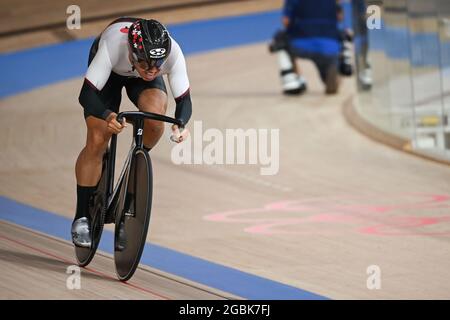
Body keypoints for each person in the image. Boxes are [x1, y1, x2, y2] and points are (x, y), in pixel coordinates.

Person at [72, 17, 192, 247]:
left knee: (156, 120)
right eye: (146, 63)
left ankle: (134, 164)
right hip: (111, 74)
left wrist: (181, 123)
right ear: (133, 53)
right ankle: (82, 216)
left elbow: (184, 99)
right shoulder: (112, 47)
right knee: (98, 139)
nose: (153, 70)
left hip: (134, 74)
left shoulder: (171, 53)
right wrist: (108, 115)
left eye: (158, 64)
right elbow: (85, 96)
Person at [269, 0, 343, 95]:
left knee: (280, 40)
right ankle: (334, 67)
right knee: (339, 40)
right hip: (329, 44)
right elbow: (340, 17)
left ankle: (292, 81)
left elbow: (286, 21)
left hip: (301, 44)